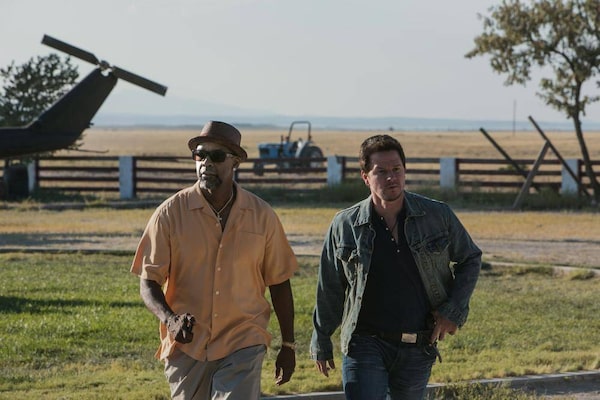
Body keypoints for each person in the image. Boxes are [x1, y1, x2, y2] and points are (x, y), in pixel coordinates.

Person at [131, 120, 298, 399]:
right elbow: (148, 282)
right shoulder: (170, 214)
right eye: (200, 155)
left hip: (244, 339)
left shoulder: (262, 215)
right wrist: (170, 320)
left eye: (217, 156)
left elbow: (280, 282)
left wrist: (289, 345)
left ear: (235, 163)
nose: (206, 163)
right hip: (188, 345)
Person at [310, 134, 481, 400]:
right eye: (381, 171)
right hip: (364, 342)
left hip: (417, 343)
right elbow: (330, 287)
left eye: (397, 169)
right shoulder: (345, 225)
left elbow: (470, 258)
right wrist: (321, 338)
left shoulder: (437, 215)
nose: (391, 177)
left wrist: (452, 311)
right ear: (365, 177)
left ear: (404, 171)